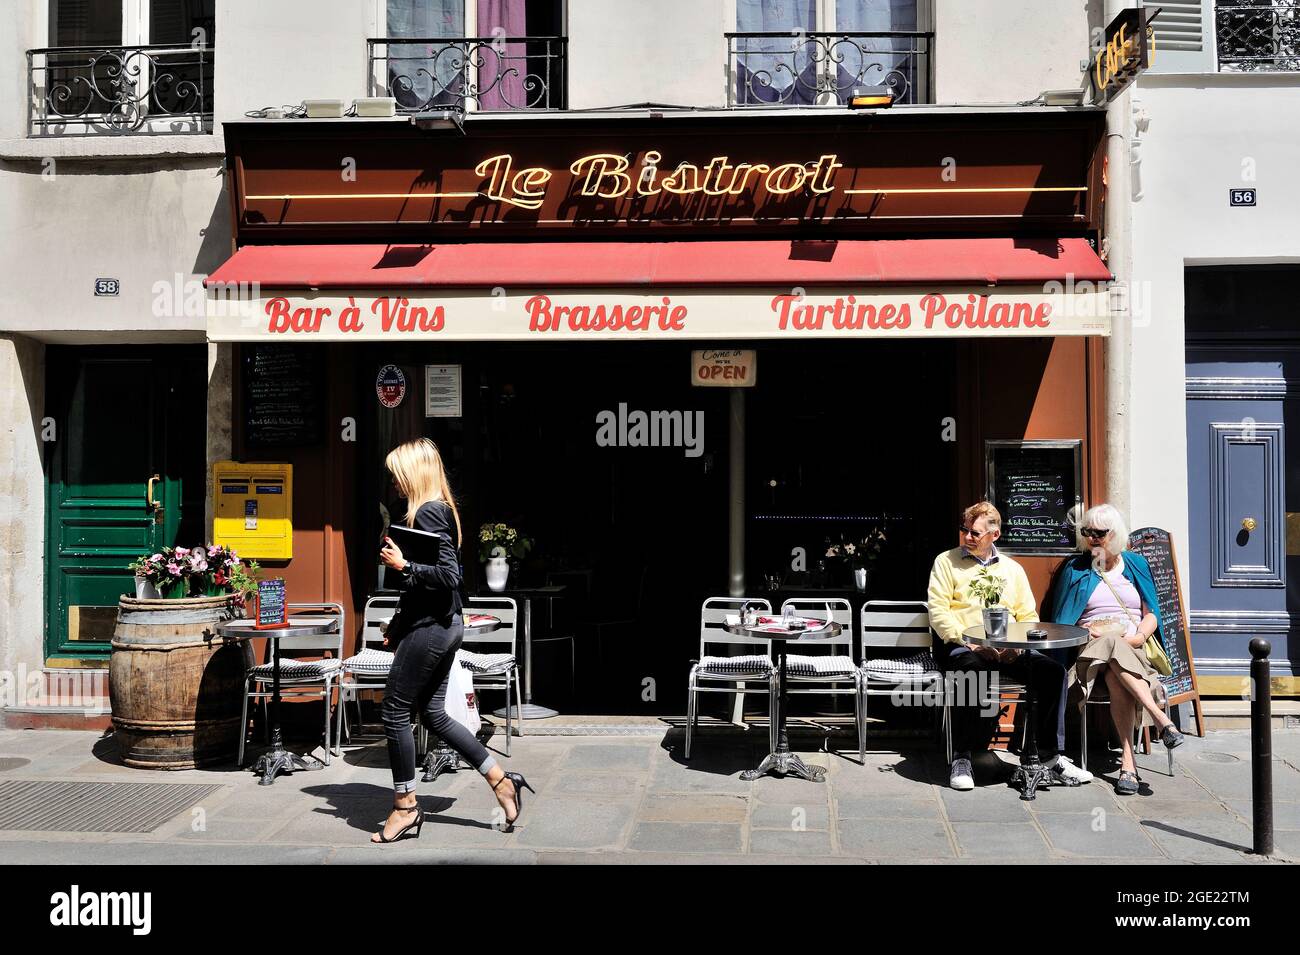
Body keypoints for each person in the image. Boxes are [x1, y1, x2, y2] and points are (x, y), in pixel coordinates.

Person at [372, 438, 532, 843]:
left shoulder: (429, 512)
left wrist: (403, 563)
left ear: (413, 473)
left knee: (394, 712)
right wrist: (396, 622)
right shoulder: (436, 511)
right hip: (439, 625)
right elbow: (428, 585)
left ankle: (405, 807)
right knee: (434, 714)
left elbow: (448, 577)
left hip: (432, 629)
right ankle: (501, 780)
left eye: (396, 473)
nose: (392, 480)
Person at [927, 502, 1093, 791]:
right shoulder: (946, 561)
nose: (967, 537)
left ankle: (1052, 757)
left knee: (1052, 673)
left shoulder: (1012, 569)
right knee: (971, 671)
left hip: (1008, 649)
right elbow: (938, 612)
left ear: (995, 535)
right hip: (962, 646)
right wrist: (969, 642)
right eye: (965, 530)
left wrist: (1015, 646)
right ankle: (962, 756)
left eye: (975, 533)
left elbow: (1027, 616)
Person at [1044, 503, 1184, 795]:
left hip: (1132, 652)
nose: (1093, 538)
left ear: (1115, 533)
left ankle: (1128, 766)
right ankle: (1160, 719)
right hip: (1088, 653)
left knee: (1117, 675)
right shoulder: (1075, 568)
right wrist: (1087, 631)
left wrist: (1139, 637)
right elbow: (1061, 620)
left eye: (1100, 532)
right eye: (1087, 532)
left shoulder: (1136, 565)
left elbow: (1152, 614)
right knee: (1110, 643)